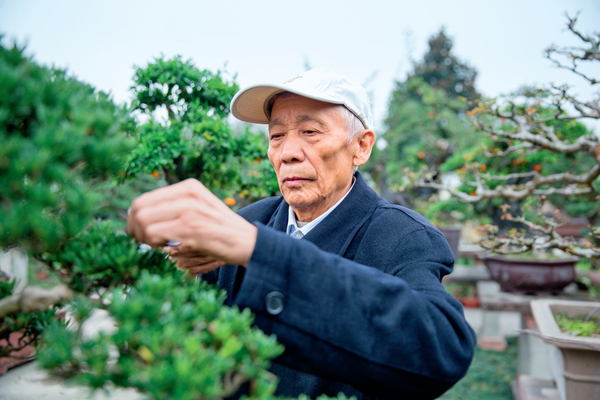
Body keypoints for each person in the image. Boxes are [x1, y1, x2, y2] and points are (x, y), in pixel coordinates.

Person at [127, 69, 476, 400]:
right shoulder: (251, 220)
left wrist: (258, 250)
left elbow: (441, 349)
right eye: (277, 136)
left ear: (361, 147)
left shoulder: (402, 236)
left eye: (311, 132)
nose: (288, 153)